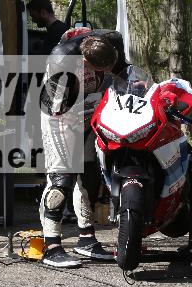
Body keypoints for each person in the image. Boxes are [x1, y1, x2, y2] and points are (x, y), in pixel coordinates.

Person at [38, 29, 126, 268]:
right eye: (100, 70)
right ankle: (51, 246)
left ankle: (86, 238)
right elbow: (59, 108)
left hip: (89, 112)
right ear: (85, 61)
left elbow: (122, 73)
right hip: (61, 116)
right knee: (62, 178)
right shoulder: (61, 62)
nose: (106, 73)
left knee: (89, 174)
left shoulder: (108, 43)